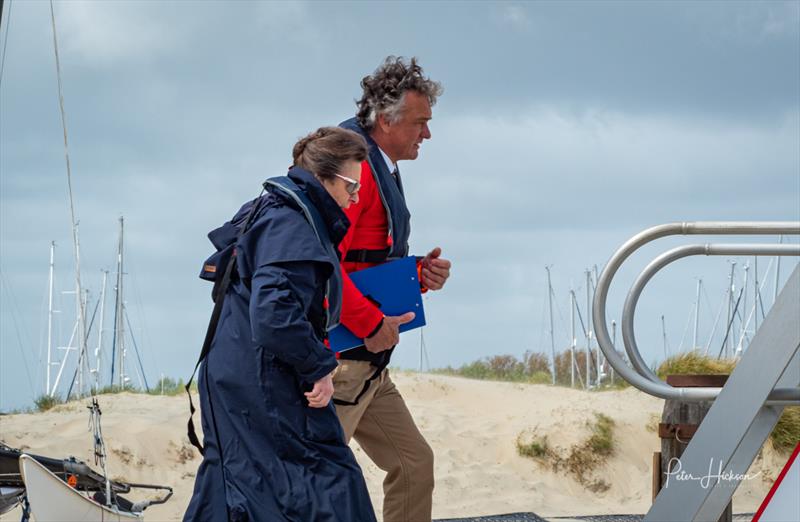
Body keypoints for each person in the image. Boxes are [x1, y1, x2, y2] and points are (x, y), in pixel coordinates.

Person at [184, 127, 377, 522]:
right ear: (324, 177)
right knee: (331, 484)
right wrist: (319, 367)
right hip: (261, 381)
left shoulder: (269, 210)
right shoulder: (292, 224)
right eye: (351, 186)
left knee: (234, 485)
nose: (355, 197)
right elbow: (273, 316)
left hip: (231, 376)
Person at [334, 56, 452, 522]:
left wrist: (416, 273)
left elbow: (365, 256)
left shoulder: (378, 164)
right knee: (317, 481)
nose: (427, 134)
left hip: (369, 362)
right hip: (340, 363)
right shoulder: (356, 171)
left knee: (413, 464)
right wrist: (370, 323)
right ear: (386, 120)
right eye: (420, 123)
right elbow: (322, 266)